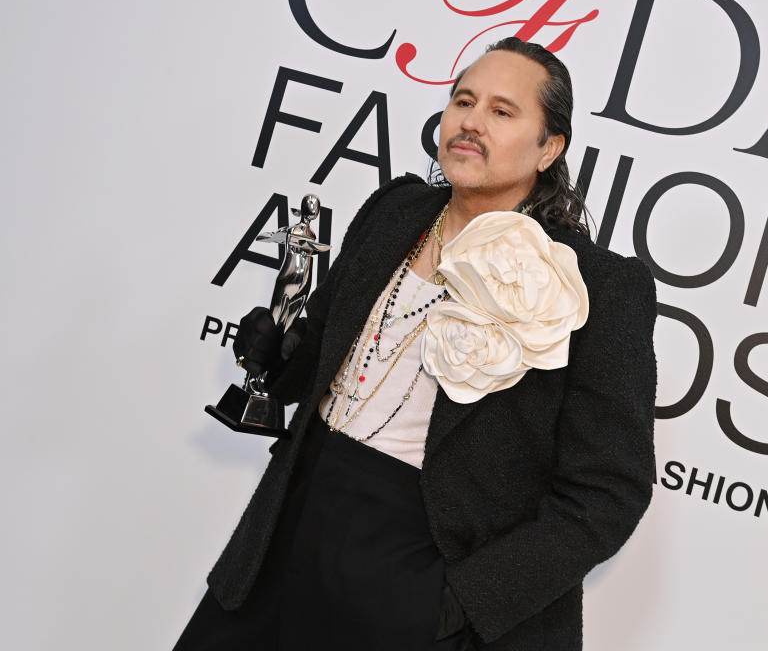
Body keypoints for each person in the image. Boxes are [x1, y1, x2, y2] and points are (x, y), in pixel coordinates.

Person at [174, 37, 658, 651]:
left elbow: (607, 493)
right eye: (463, 100)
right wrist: (275, 351)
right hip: (290, 531)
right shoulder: (394, 210)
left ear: (549, 148)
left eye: (502, 112)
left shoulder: (598, 287)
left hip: (424, 576)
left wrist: (457, 603)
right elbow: (318, 362)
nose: (471, 122)